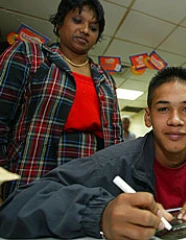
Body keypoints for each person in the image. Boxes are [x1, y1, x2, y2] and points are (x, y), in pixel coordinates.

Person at [0, 67, 186, 239]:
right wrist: (100, 214)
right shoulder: (113, 163)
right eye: (164, 109)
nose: (175, 120)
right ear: (148, 117)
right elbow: (16, 206)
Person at [0, 0, 122, 200]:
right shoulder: (30, 55)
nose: (85, 30)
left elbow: (115, 139)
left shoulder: (105, 79)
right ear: (58, 24)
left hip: (91, 178)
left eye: (93, 27)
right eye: (77, 20)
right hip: (34, 172)